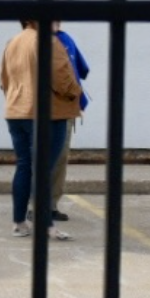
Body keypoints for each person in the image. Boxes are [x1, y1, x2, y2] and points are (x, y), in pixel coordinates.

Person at [0, 19, 83, 240]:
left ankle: (19, 223)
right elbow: (61, 78)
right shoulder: (48, 42)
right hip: (47, 113)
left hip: (16, 111)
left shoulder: (13, 42)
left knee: (24, 166)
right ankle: (47, 225)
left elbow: (4, 80)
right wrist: (76, 92)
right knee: (44, 170)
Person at [46, 26, 90, 222]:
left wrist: (77, 101)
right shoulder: (35, 41)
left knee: (60, 157)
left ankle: (51, 204)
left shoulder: (66, 39)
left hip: (64, 108)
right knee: (45, 157)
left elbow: (78, 70)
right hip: (45, 108)